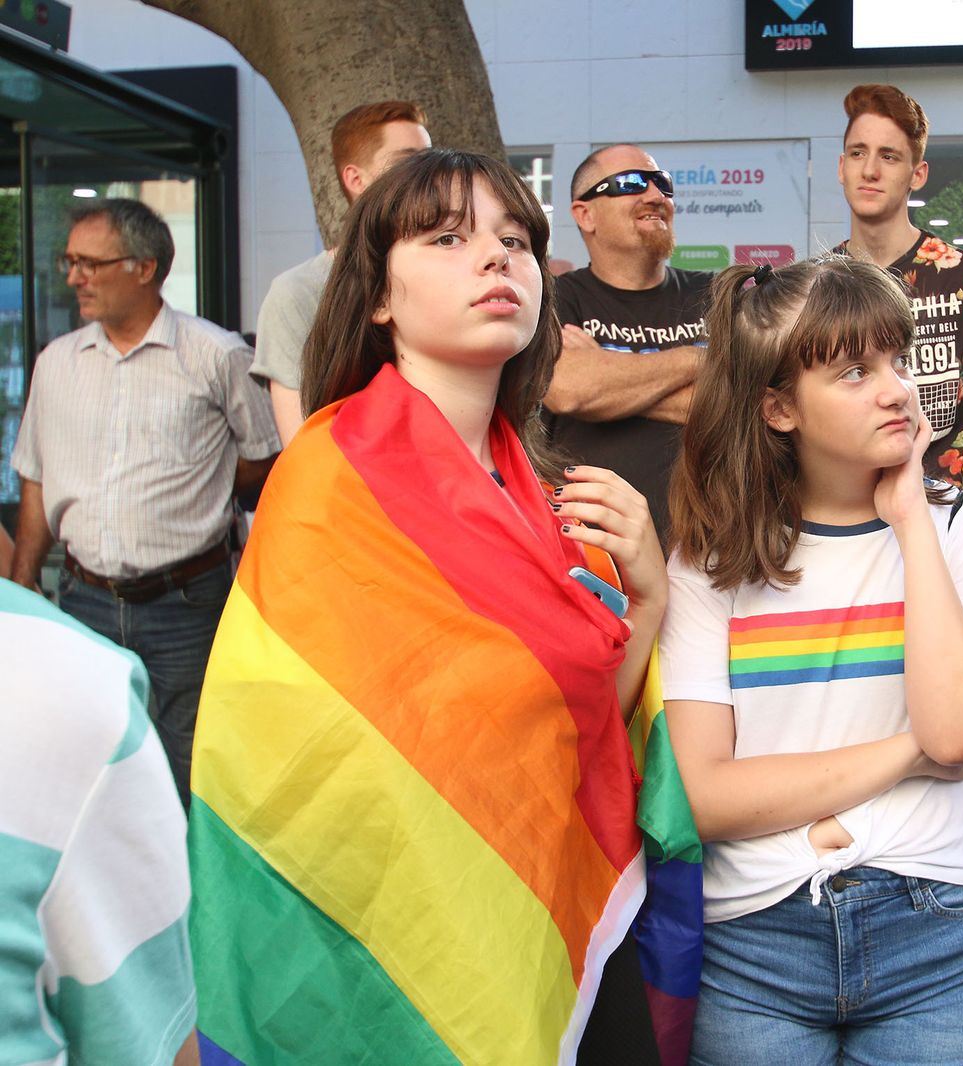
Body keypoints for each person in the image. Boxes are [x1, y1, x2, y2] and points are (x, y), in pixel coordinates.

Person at [187, 149, 669, 1063]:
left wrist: (646, 593)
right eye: (448, 238)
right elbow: (296, 776)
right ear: (377, 295)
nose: (496, 259)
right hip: (391, 949)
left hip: (546, 915)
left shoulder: (550, 503)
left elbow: (587, 734)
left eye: (516, 239)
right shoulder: (327, 487)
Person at [661, 257, 963, 1064]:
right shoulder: (712, 558)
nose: (896, 389)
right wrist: (910, 752)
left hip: (940, 932)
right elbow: (704, 795)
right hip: (754, 943)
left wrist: (911, 520)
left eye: (897, 360)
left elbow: (962, 731)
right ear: (779, 407)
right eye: (855, 371)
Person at [9, 198, 280, 805]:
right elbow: (35, 475)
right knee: (89, 761)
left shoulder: (216, 356)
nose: (73, 277)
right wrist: (24, 575)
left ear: (145, 267)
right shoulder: (57, 364)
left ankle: (190, 896)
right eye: (69, 261)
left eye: (89, 263)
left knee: (193, 764)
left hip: (187, 601)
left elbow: (266, 452)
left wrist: (203, 489)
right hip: (82, 602)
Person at [1, 580, 198, 1066]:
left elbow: (158, 1032)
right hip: (84, 588)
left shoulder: (72, 704)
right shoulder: (70, 699)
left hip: (183, 595)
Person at [831, 83, 963, 491]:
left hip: (942, 509)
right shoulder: (817, 285)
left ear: (917, 174)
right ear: (841, 167)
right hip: (845, 513)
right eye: (858, 152)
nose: (869, 170)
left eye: (889, 156)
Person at [544, 143, 711, 542]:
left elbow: (749, 403)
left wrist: (606, 374)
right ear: (585, 214)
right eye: (632, 183)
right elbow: (569, 389)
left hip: (712, 549)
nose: (656, 196)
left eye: (663, 184)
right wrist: (700, 360)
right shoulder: (555, 297)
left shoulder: (717, 292)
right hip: (594, 550)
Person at [251, 100, 430, 445]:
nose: (427, 176)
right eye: (407, 162)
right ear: (355, 179)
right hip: (354, 491)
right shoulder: (299, 292)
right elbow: (302, 446)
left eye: (428, 160)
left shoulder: (454, 276)